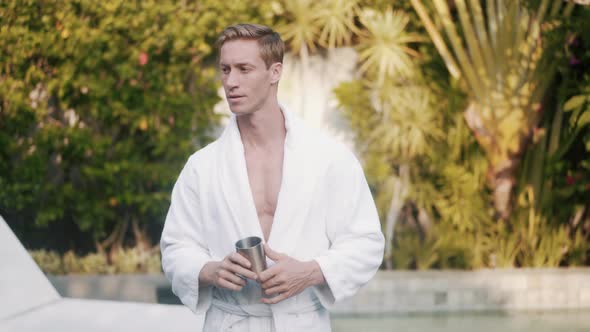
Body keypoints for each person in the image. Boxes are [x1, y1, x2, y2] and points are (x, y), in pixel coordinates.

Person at [160, 23, 384, 332]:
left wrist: (312, 271)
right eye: (225, 70)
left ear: (275, 72)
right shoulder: (202, 166)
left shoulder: (330, 158)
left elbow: (365, 242)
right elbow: (176, 246)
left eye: (244, 69)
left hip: (302, 321)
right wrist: (208, 270)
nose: (231, 82)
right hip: (230, 321)